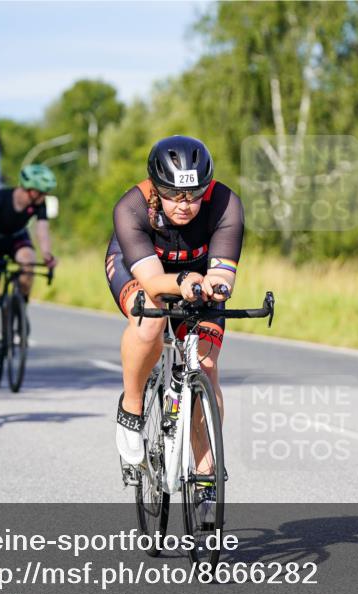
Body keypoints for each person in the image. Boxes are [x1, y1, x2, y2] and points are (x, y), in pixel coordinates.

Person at [106, 135, 243, 487]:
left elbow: (223, 273)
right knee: (150, 316)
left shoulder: (226, 203)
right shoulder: (131, 207)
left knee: (207, 366)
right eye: (173, 194)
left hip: (195, 273)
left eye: (195, 194)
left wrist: (214, 285)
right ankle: (132, 407)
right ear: (155, 187)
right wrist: (182, 280)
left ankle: (205, 470)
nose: (185, 204)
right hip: (138, 268)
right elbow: (153, 284)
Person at [0, 164, 58, 377]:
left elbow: (42, 231)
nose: (45, 197)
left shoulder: (39, 203)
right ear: (30, 190)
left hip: (17, 239)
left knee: (28, 261)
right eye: (43, 193)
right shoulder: (0, 198)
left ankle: (20, 304)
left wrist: (47, 254)